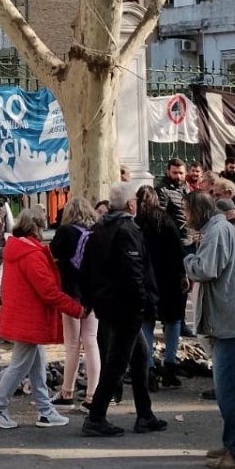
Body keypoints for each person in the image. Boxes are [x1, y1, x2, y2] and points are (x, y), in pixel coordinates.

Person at [183, 192, 235, 469]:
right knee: (228, 391)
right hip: (230, 320)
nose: (185, 217)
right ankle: (233, 443)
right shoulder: (218, 229)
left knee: (230, 392)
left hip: (231, 322)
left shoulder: (217, 231)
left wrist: (187, 260)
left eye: (186, 210)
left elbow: (206, 268)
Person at [0, 206, 85, 430]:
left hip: (22, 316)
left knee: (36, 365)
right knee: (20, 365)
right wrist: (77, 309)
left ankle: (45, 410)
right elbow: (48, 291)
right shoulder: (32, 254)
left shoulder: (18, 248)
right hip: (29, 319)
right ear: (37, 227)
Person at [82, 182, 166, 438]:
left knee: (139, 357)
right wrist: (142, 302)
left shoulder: (99, 228)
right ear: (131, 204)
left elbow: (87, 268)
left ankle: (145, 414)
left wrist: (91, 299)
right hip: (126, 306)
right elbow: (133, 271)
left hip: (108, 303)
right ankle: (96, 417)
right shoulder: (126, 229)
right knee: (117, 363)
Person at [50, 198, 100, 409]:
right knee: (91, 341)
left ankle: (67, 391)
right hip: (94, 293)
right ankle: (92, 395)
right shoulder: (96, 233)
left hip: (71, 293)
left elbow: (52, 254)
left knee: (72, 344)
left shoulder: (65, 232)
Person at [135, 186, 187, 389]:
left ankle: (148, 369)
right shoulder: (166, 220)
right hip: (169, 279)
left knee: (146, 323)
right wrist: (183, 274)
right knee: (173, 321)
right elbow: (177, 249)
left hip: (147, 279)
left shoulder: (137, 224)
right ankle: (170, 366)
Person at [156, 158, 189, 230]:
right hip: (175, 236)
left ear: (185, 173)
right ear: (168, 172)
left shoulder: (187, 188)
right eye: (175, 173)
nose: (178, 176)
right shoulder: (162, 190)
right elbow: (160, 217)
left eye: (181, 173)